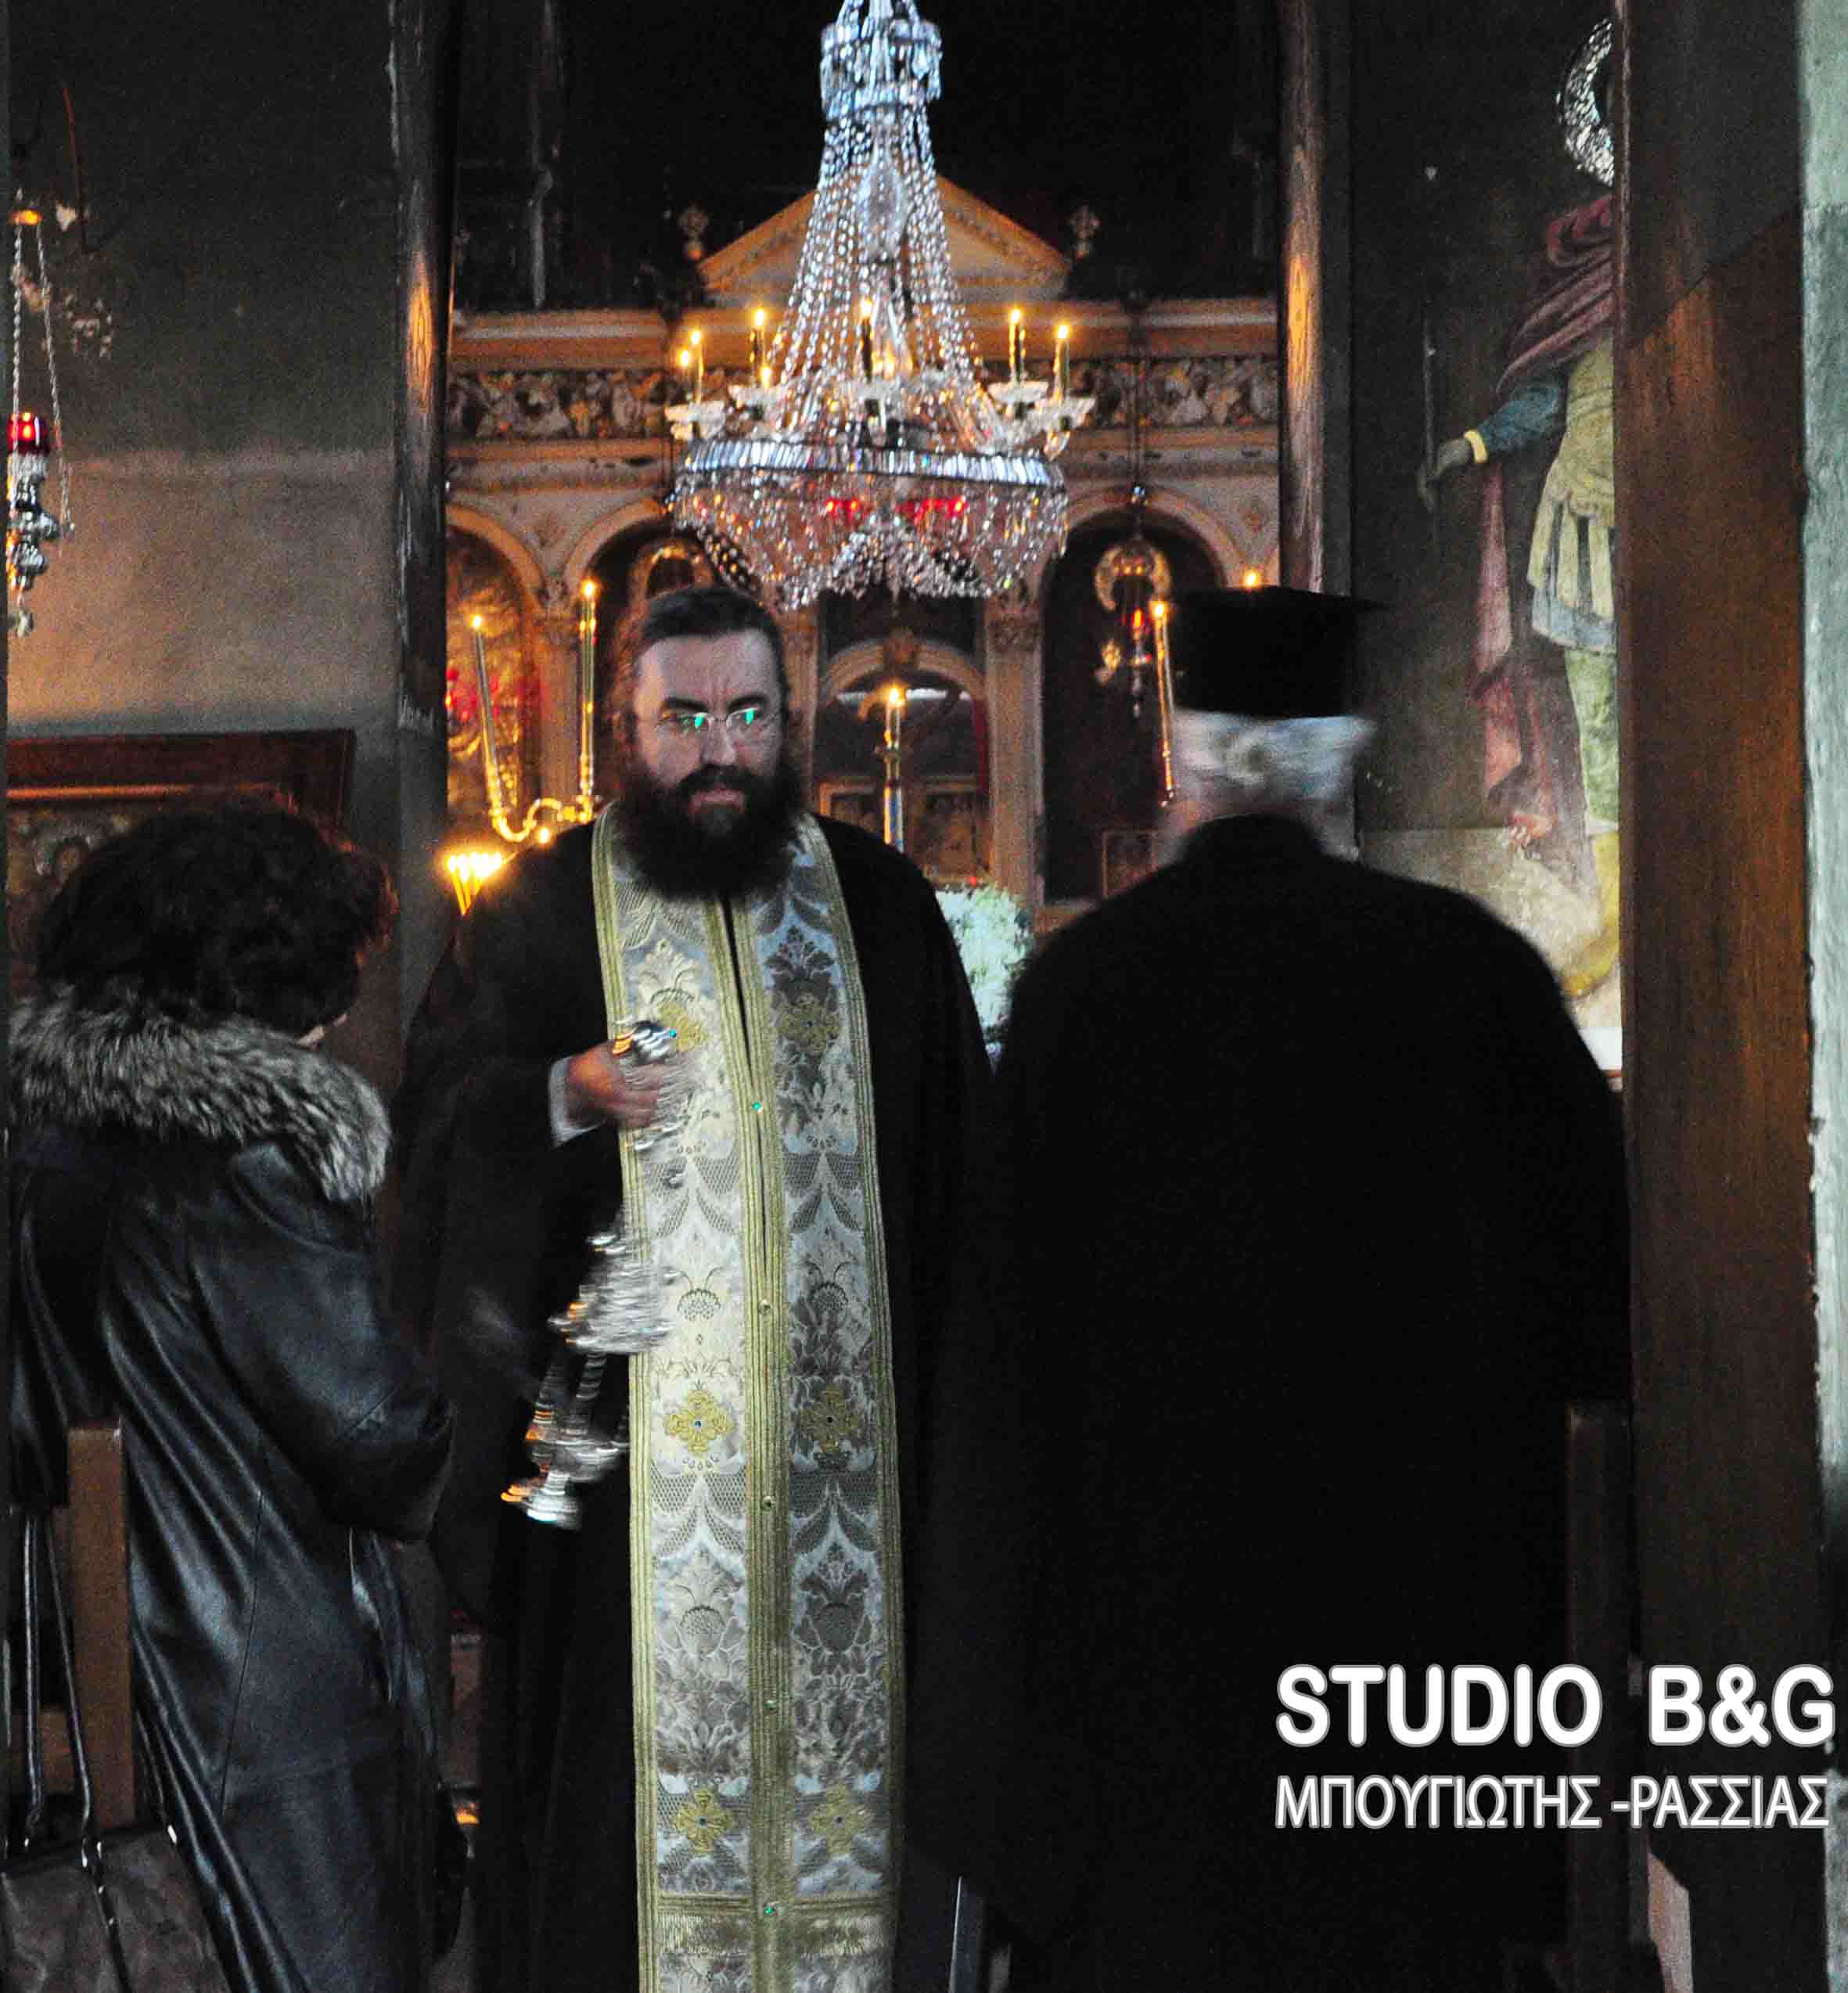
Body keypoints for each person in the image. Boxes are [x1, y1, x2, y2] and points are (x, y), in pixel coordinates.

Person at [907, 588, 1630, 1991]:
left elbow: (996, 1389)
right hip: (1414, 1699)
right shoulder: (1472, 976)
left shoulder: (1078, 996)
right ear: (1341, 756)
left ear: (1182, 762)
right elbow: (1595, 1334)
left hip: (1147, 1717)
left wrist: (1003, 1772)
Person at [394, 581, 989, 1993]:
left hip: (857, 1500)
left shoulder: (883, 909)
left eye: (747, 715)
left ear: (789, 725)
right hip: (620, 1502)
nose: (718, 751)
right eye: (684, 719)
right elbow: (433, 1131)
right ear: (625, 724)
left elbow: (964, 1178)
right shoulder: (541, 909)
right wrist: (563, 1089)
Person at [9, 803, 454, 1993]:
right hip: (257, 1715)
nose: (340, 1016)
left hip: (89, 1690)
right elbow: (386, 1446)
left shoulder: (43, 1150)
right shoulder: (252, 1162)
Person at [1420, 191, 1619, 1000]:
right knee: (1595, 728)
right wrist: (1470, 444)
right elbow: (1542, 404)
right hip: (1584, 527)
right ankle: (1615, 921)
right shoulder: (1581, 296)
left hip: (1666, 519)